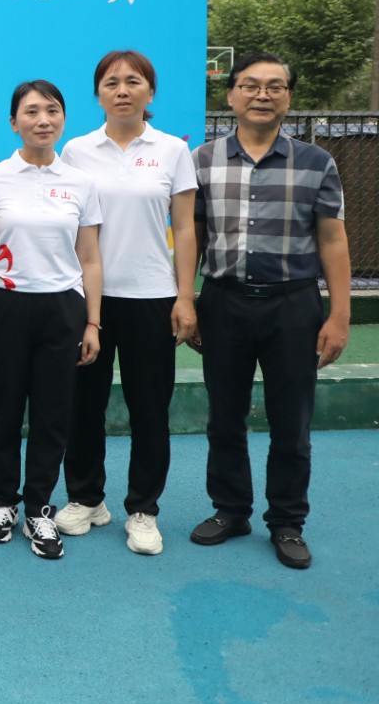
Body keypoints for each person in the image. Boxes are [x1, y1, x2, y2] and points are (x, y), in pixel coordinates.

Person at [189, 52, 349, 569]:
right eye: (251, 85)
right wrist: (186, 299)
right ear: (231, 94)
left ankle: (287, 521)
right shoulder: (201, 160)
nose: (262, 94)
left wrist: (339, 315)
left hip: (293, 306)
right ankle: (231, 510)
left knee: (292, 423)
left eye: (275, 86)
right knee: (224, 418)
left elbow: (333, 240)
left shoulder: (317, 162)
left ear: (288, 97)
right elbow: (191, 236)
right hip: (223, 303)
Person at [58, 50, 197, 556]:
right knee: (83, 405)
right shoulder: (76, 151)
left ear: (150, 92)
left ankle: (143, 509)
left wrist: (185, 295)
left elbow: (185, 229)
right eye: (111, 82)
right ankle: (86, 498)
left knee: (149, 410)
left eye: (133, 81)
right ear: (98, 93)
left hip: (152, 297)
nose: (122, 90)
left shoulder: (172, 150)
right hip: (87, 300)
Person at [0, 79, 102, 560]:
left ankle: (40, 507)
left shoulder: (82, 183)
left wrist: (92, 323)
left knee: (52, 414)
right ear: (13, 122)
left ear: (63, 119)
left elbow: (90, 258)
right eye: (31, 111)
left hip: (63, 309)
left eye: (52, 110)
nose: (43, 120)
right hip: (4, 305)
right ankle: (2, 503)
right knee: (5, 410)